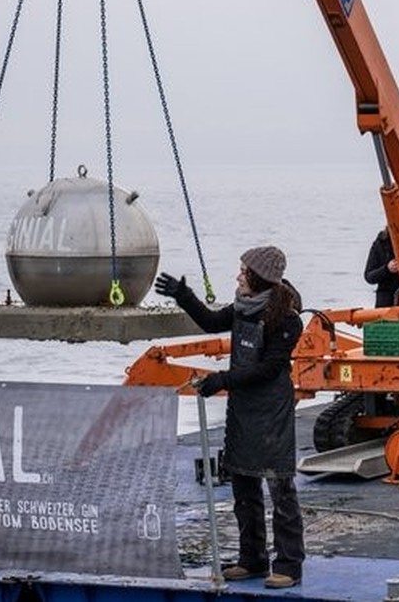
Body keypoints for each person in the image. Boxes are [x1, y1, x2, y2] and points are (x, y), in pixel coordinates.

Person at [154, 246, 305, 589]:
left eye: (242, 271)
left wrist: (221, 379)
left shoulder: (288, 319)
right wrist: (183, 294)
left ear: (258, 276)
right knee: (243, 486)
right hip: (243, 410)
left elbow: (268, 369)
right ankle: (252, 559)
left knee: (281, 490)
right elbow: (210, 322)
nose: (237, 276)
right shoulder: (241, 308)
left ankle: (289, 565)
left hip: (271, 412)